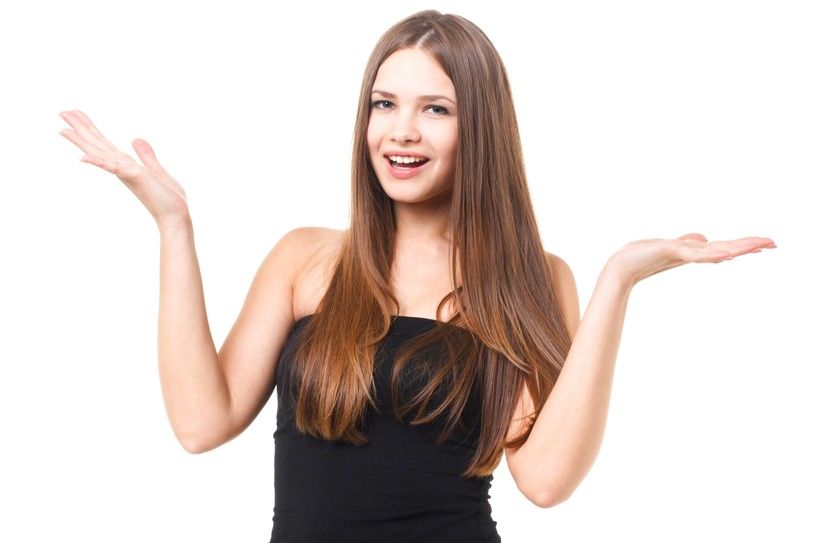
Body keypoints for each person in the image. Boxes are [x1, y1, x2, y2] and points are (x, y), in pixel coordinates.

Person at [58, 9, 776, 543]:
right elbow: (200, 423)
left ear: (479, 129)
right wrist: (174, 226)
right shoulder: (306, 258)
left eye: (435, 109)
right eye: (385, 103)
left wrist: (615, 283)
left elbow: (545, 480)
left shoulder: (530, 280)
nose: (401, 130)